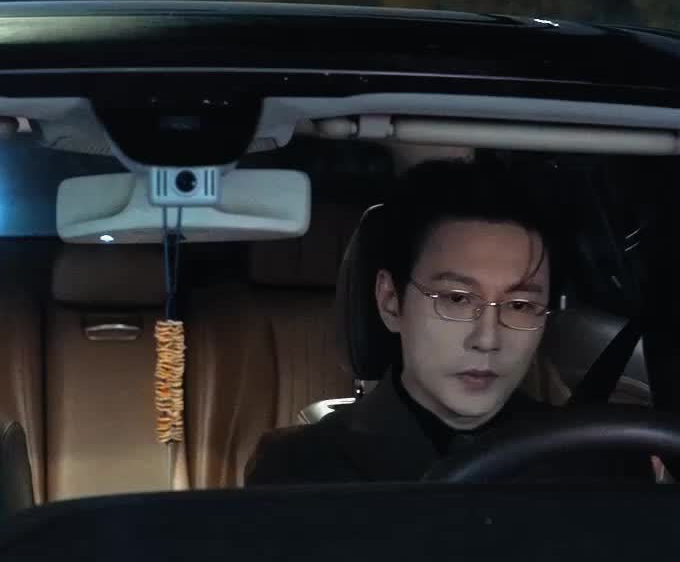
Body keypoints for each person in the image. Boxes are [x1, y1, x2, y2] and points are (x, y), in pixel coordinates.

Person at [246, 159, 639, 486]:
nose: (488, 339)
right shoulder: (301, 469)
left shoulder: (593, 462)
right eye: (456, 299)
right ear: (391, 301)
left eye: (519, 305)